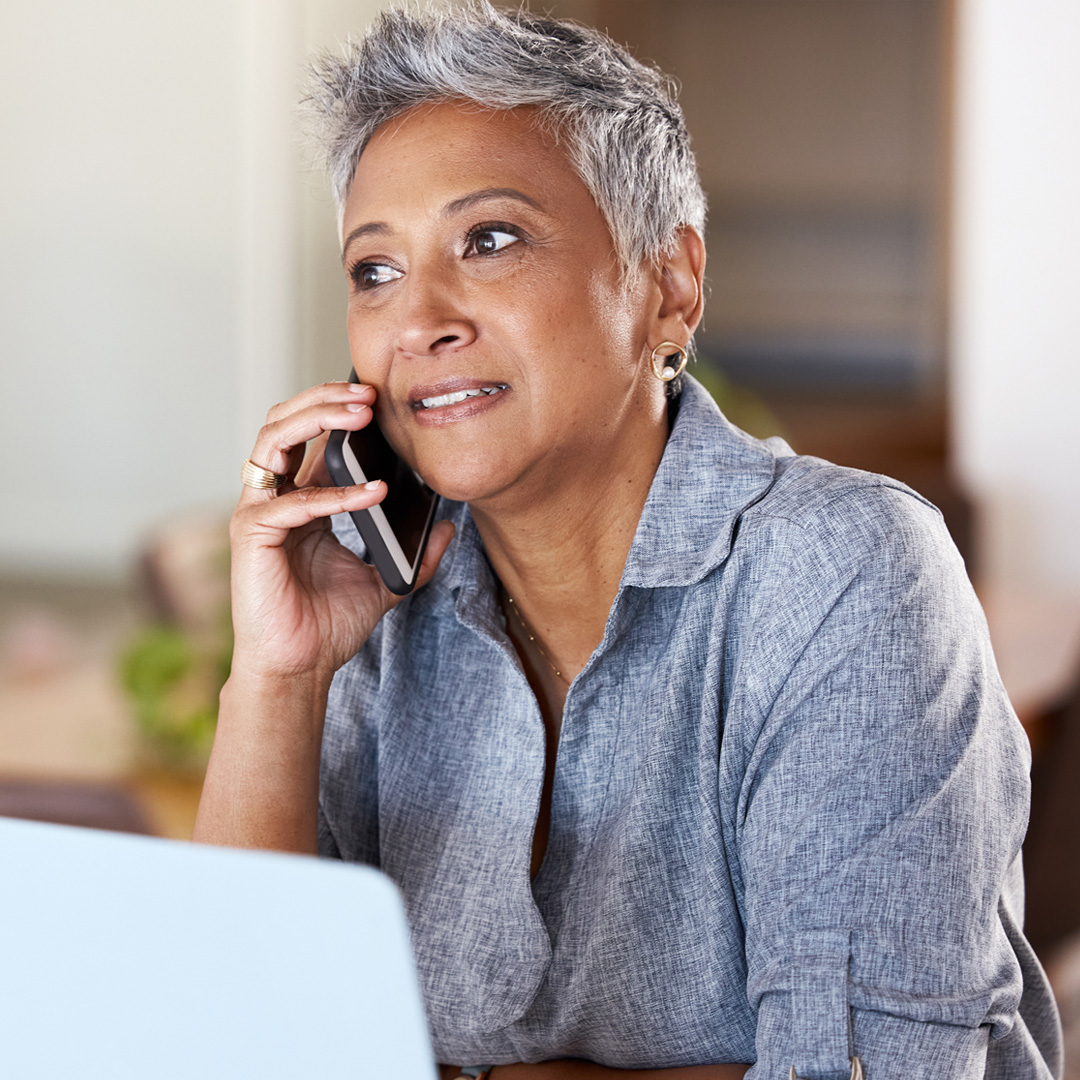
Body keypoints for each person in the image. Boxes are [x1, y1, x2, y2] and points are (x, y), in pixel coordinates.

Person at [194, 4, 1062, 1077]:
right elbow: (245, 1045)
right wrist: (277, 678)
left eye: (490, 239)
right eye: (374, 270)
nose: (417, 319)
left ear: (670, 283)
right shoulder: (378, 600)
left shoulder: (846, 574)